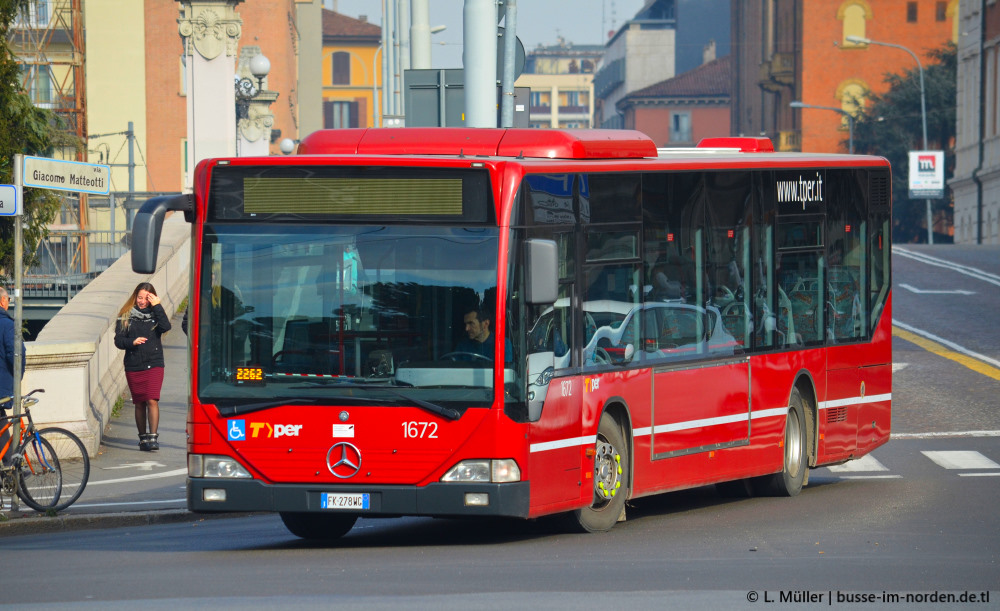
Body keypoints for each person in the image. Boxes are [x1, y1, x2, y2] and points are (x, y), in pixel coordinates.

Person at [114, 282, 171, 451]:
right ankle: (142, 438)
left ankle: (153, 437)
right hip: (134, 364)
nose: (142, 301)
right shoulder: (125, 316)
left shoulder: (156, 313)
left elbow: (166, 327)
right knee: (139, 402)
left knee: (152, 399)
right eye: (140, 297)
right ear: (135, 297)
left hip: (154, 363)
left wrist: (158, 306)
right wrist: (132, 342)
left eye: (147, 298)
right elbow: (118, 341)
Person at [0, 287, 25, 465]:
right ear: (3, 301)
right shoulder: (8, 325)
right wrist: (17, 380)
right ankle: (10, 467)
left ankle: (9, 467)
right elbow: (16, 356)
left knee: (1, 424)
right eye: (8, 300)